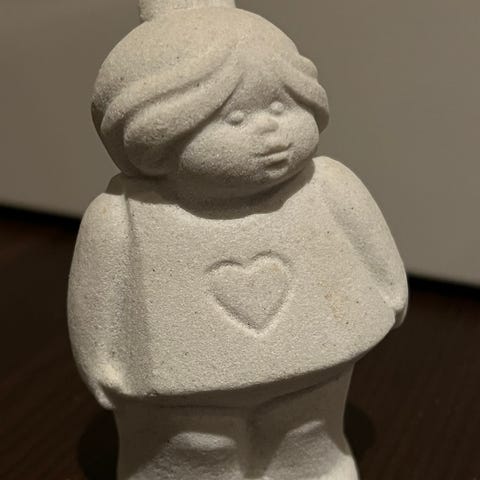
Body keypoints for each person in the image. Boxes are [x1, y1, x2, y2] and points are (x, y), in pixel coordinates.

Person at [69, 3, 408, 479]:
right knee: (193, 445)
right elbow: (97, 295)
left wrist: (391, 291)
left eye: (280, 107)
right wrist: (100, 360)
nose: (269, 130)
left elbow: (373, 246)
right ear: (154, 135)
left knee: (307, 427)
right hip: (179, 386)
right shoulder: (120, 216)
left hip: (318, 361)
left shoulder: (327, 183)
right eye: (235, 119)